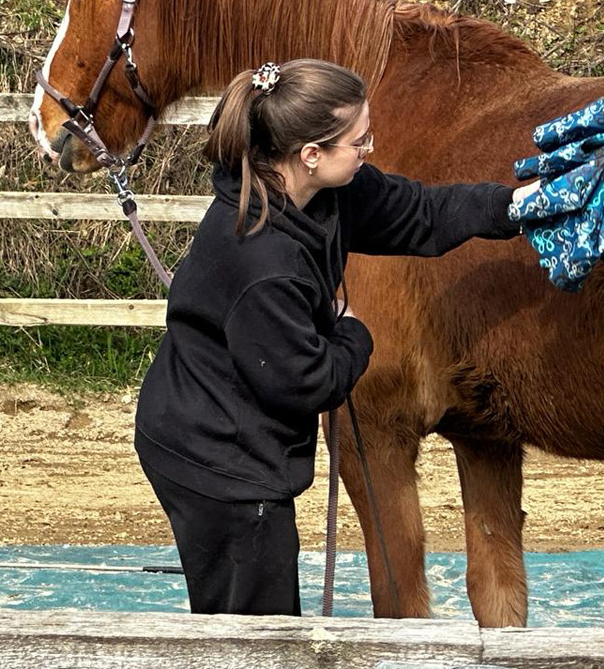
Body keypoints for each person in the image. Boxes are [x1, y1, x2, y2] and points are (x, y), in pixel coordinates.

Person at [133, 57, 534, 616]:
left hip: (236, 434)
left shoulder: (328, 192)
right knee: (256, 631)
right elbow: (307, 382)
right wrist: (354, 333)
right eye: (359, 140)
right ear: (311, 154)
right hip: (216, 458)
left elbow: (422, 212)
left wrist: (514, 206)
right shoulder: (263, 261)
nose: (370, 148)